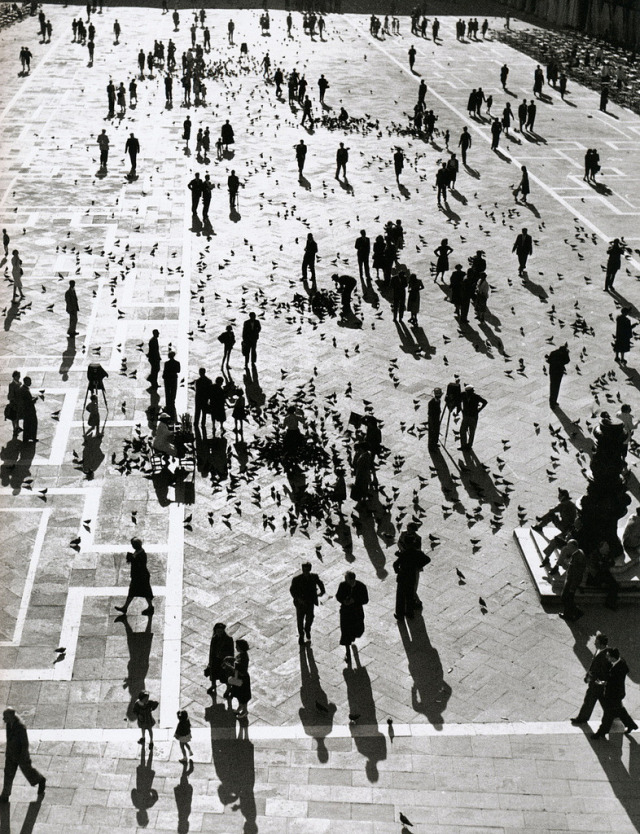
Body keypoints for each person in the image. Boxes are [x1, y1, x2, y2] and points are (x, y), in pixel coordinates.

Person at [0, 709, 46, 802]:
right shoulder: (9, 724)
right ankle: (5, 795)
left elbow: (25, 744)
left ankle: (40, 780)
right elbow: (9, 739)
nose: (3, 719)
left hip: (21, 755)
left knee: (28, 772)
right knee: (8, 774)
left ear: (11, 716)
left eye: (6, 717)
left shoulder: (20, 727)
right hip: (11, 755)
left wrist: (23, 757)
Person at [592, 649, 638, 738]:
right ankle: (631, 725)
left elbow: (611, 682)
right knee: (619, 711)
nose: (607, 658)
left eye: (608, 656)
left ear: (613, 658)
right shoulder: (621, 663)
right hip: (618, 693)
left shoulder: (616, 670)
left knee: (607, 715)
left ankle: (601, 732)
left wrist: (601, 682)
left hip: (613, 695)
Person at [571, 633, 610, 725]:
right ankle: (615, 715)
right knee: (603, 701)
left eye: (596, 642)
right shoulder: (600, 650)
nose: (594, 644)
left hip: (597, 683)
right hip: (599, 683)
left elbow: (601, 671)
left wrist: (591, 679)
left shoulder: (605, 656)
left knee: (589, 700)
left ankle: (582, 718)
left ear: (601, 644)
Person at [533, 488, 578, 562]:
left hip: (564, 527)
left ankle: (540, 524)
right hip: (569, 527)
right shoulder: (571, 504)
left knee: (551, 515)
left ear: (563, 497)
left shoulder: (563, 504)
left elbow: (552, 510)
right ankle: (540, 522)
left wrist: (543, 517)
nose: (558, 497)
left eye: (559, 495)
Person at [115, 537, 154, 616]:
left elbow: (140, 565)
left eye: (133, 544)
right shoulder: (138, 551)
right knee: (141, 592)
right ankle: (126, 607)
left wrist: (132, 559)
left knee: (139, 592)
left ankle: (126, 608)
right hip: (139, 576)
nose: (132, 546)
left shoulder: (142, 554)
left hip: (141, 577)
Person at [335, 572, 369, 661]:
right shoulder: (342, 585)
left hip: (356, 612)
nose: (345, 581)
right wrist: (344, 601)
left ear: (352, 580)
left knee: (359, 631)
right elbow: (338, 596)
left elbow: (365, 600)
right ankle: (348, 653)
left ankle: (352, 636)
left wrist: (354, 600)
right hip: (346, 612)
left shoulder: (361, 587)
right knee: (345, 632)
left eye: (347, 579)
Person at [290, 562, 325, 645]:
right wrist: (298, 599)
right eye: (304, 569)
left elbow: (320, 583)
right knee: (300, 620)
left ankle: (307, 629)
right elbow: (292, 590)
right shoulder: (296, 579)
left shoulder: (314, 577)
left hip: (310, 602)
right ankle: (301, 636)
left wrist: (322, 592)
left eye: (307, 570)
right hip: (300, 603)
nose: (305, 571)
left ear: (310, 569)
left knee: (310, 618)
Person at [394, 545, 430, 621]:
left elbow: (395, 564)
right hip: (411, 577)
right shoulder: (417, 553)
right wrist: (418, 565)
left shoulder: (404, 553)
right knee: (410, 595)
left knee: (400, 597)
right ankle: (410, 613)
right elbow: (427, 559)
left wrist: (397, 571)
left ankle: (400, 615)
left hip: (402, 577)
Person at [558, 541, 587, 621]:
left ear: (573, 547)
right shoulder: (577, 554)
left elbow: (577, 573)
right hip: (571, 580)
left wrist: (572, 587)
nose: (567, 548)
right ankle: (568, 614)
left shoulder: (578, 557)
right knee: (568, 599)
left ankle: (577, 612)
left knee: (565, 597)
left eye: (569, 546)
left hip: (571, 582)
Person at [223, 639, 251, 718]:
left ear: (241, 647)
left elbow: (240, 670)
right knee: (239, 694)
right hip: (239, 678)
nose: (236, 648)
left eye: (237, 646)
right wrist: (231, 658)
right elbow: (236, 660)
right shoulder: (242, 654)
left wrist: (229, 666)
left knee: (243, 696)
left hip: (242, 679)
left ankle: (245, 711)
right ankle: (240, 707)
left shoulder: (244, 657)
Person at [205, 623, 234, 695]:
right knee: (213, 674)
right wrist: (210, 662)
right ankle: (213, 685)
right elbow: (211, 651)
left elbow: (231, 652)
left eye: (220, 632)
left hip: (224, 661)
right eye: (217, 631)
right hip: (215, 660)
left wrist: (229, 663)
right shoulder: (214, 638)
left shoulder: (228, 639)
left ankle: (228, 688)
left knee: (224, 677)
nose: (219, 633)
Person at [460, 385, 487, 450]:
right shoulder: (463, 394)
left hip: (473, 416)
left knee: (472, 431)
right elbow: (458, 400)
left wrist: (479, 409)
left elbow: (485, 402)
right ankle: (463, 445)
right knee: (462, 430)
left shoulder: (476, 397)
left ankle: (469, 446)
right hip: (466, 415)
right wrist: (461, 409)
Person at [547, 342, 570, 408]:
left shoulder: (553, 353)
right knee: (556, 387)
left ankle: (552, 401)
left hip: (552, 372)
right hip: (558, 373)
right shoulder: (563, 354)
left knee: (552, 387)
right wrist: (567, 353)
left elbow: (549, 360)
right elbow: (567, 361)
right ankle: (553, 402)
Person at [18, 376, 37, 443]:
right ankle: (32, 437)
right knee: (33, 423)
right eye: (29, 381)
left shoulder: (22, 389)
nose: (31, 383)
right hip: (29, 410)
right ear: (26, 382)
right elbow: (29, 402)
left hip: (25, 410)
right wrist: (34, 399)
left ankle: (26, 438)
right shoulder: (25, 390)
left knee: (27, 424)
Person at [5, 371, 21, 436]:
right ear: (14, 377)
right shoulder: (12, 384)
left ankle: (18, 426)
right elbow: (11, 395)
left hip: (18, 402)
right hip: (14, 403)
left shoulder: (18, 383)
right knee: (14, 416)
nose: (19, 377)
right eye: (18, 376)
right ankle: (14, 429)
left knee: (18, 415)